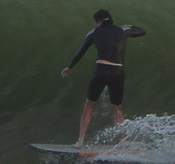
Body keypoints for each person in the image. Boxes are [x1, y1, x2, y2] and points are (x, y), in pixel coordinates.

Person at [60, 8, 147, 147]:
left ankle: (80, 141)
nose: (94, 25)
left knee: (89, 105)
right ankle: (124, 141)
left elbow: (81, 51)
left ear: (99, 21)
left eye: (94, 22)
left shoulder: (95, 32)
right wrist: (129, 27)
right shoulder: (122, 31)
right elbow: (142, 31)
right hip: (118, 71)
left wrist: (70, 67)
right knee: (117, 108)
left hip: (101, 70)